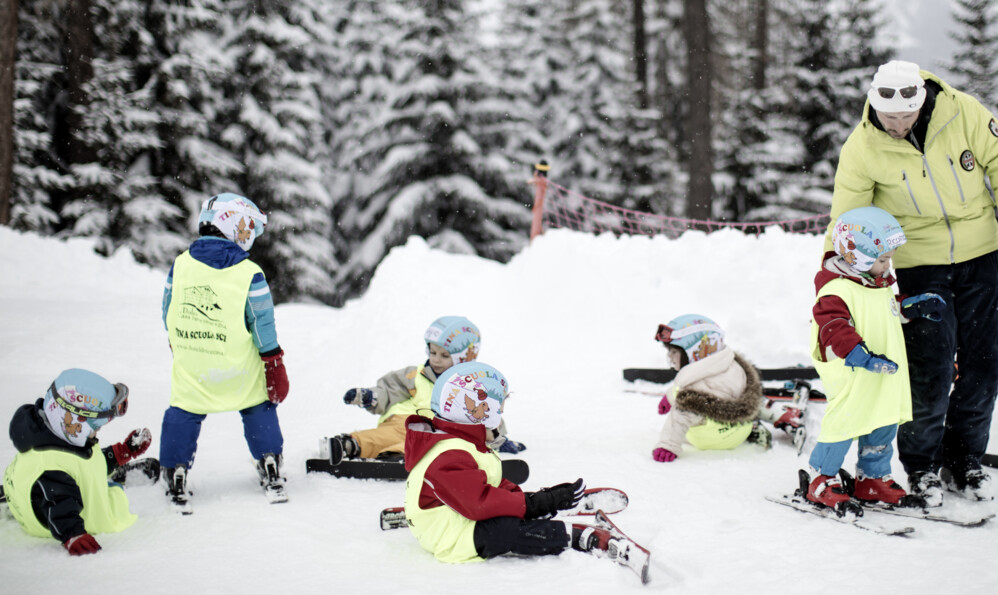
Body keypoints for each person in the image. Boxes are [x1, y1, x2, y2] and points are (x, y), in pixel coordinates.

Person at [830, 59, 998, 505]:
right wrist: (834, 269)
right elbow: (847, 216)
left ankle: (964, 459)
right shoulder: (862, 147)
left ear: (921, 102)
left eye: (906, 116)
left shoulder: (964, 113)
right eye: (889, 117)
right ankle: (921, 465)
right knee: (930, 369)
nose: (897, 125)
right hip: (917, 262)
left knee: (982, 364)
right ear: (874, 105)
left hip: (979, 254)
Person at [403, 361, 642, 567]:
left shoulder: (462, 442)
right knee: (502, 531)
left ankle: (545, 511)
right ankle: (571, 537)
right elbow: (478, 504)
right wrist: (529, 505)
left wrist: (535, 502)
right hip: (446, 534)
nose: (502, 417)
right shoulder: (450, 453)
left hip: (456, 515)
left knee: (505, 514)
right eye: (499, 409)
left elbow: (489, 485)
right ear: (477, 412)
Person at [804, 207, 945, 511]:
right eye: (882, 259)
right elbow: (833, 327)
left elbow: (887, 312)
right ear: (859, 257)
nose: (888, 264)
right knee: (845, 423)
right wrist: (859, 355)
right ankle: (821, 477)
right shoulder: (836, 290)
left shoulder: (876, 283)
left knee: (882, 421)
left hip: (883, 371)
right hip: (854, 372)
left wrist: (913, 307)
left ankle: (872, 476)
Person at [159, 193, 291, 510]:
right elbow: (262, 323)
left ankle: (176, 468)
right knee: (257, 403)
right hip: (237, 367)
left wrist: (179, 341)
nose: (251, 238)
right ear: (229, 224)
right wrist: (273, 361)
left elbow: (168, 310)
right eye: (249, 228)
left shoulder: (181, 265)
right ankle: (269, 460)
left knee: (184, 409)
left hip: (194, 364)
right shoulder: (249, 273)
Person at [326, 316, 523, 465]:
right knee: (389, 435)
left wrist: (499, 439)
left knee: (444, 444)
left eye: (445, 355)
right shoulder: (415, 375)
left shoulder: (471, 387)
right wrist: (370, 397)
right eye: (433, 352)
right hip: (404, 421)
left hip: (440, 430)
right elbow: (390, 388)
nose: (436, 359)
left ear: (464, 358)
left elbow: (487, 412)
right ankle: (349, 445)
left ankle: (396, 456)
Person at [3, 369, 154, 555]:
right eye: (95, 428)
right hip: (55, 514)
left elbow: (79, 464)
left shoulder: (51, 436)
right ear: (76, 421)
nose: (96, 433)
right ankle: (111, 483)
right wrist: (73, 534)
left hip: (34, 494)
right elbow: (59, 505)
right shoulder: (51, 469)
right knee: (115, 496)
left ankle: (110, 469)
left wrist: (119, 453)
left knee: (82, 469)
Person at [651, 314, 778, 462]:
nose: (670, 357)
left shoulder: (698, 385)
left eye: (674, 351)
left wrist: (668, 446)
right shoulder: (731, 365)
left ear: (697, 349)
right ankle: (759, 422)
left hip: (714, 439)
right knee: (690, 393)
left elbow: (681, 417)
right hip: (741, 426)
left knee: (686, 403)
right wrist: (670, 395)